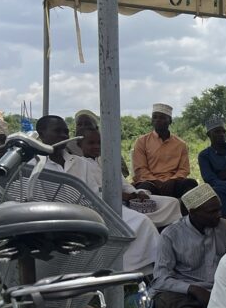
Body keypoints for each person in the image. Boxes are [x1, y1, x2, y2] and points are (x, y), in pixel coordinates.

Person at [36, 115, 160, 273]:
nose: (63, 136)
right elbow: (37, 203)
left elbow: (94, 195)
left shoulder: (80, 163)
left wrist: (129, 196)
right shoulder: (33, 166)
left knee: (142, 221)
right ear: (41, 133)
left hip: (91, 214)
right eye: (57, 131)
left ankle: (141, 271)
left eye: (66, 132)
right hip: (57, 222)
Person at [151, 184, 226, 308]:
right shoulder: (170, 234)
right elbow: (160, 279)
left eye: (219, 209)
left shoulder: (225, 227)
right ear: (193, 212)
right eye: (212, 212)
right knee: (173, 301)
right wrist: (194, 289)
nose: (218, 215)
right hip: (184, 292)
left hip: (218, 289)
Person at [73, 128, 182, 228]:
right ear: (79, 144)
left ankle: (167, 231)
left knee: (172, 203)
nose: (97, 146)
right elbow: (90, 194)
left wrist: (137, 193)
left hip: (129, 200)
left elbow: (124, 184)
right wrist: (119, 196)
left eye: (99, 143)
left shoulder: (107, 160)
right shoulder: (78, 164)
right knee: (143, 220)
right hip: (108, 206)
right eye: (91, 143)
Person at [131, 103, 199, 198]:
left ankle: (182, 208)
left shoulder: (181, 144)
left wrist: (172, 180)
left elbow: (184, 169)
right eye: (155, 117)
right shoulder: (142, 141)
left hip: (173, 183)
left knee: (191, 183)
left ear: (170, 121)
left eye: (162, 117)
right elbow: (140, 169)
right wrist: (156, 181)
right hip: (150, 183)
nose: (157, 120)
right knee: (143, 189)